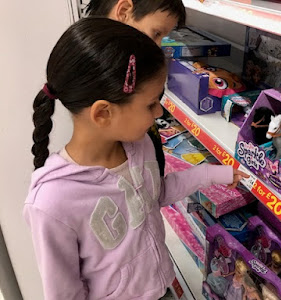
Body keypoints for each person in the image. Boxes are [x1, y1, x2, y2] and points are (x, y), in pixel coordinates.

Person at [24, 17, 247, 300]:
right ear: (103, 113)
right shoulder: (52, 203)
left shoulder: (138, 145)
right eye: (151, 103)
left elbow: (156, 193)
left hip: (162, 284)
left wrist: (212, 174)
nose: (158, 114)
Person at [86, 0, 187, 177]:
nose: (158, 46)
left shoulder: (135, 63)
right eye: (156, 33)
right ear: (124, 11)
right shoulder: (105, 78)